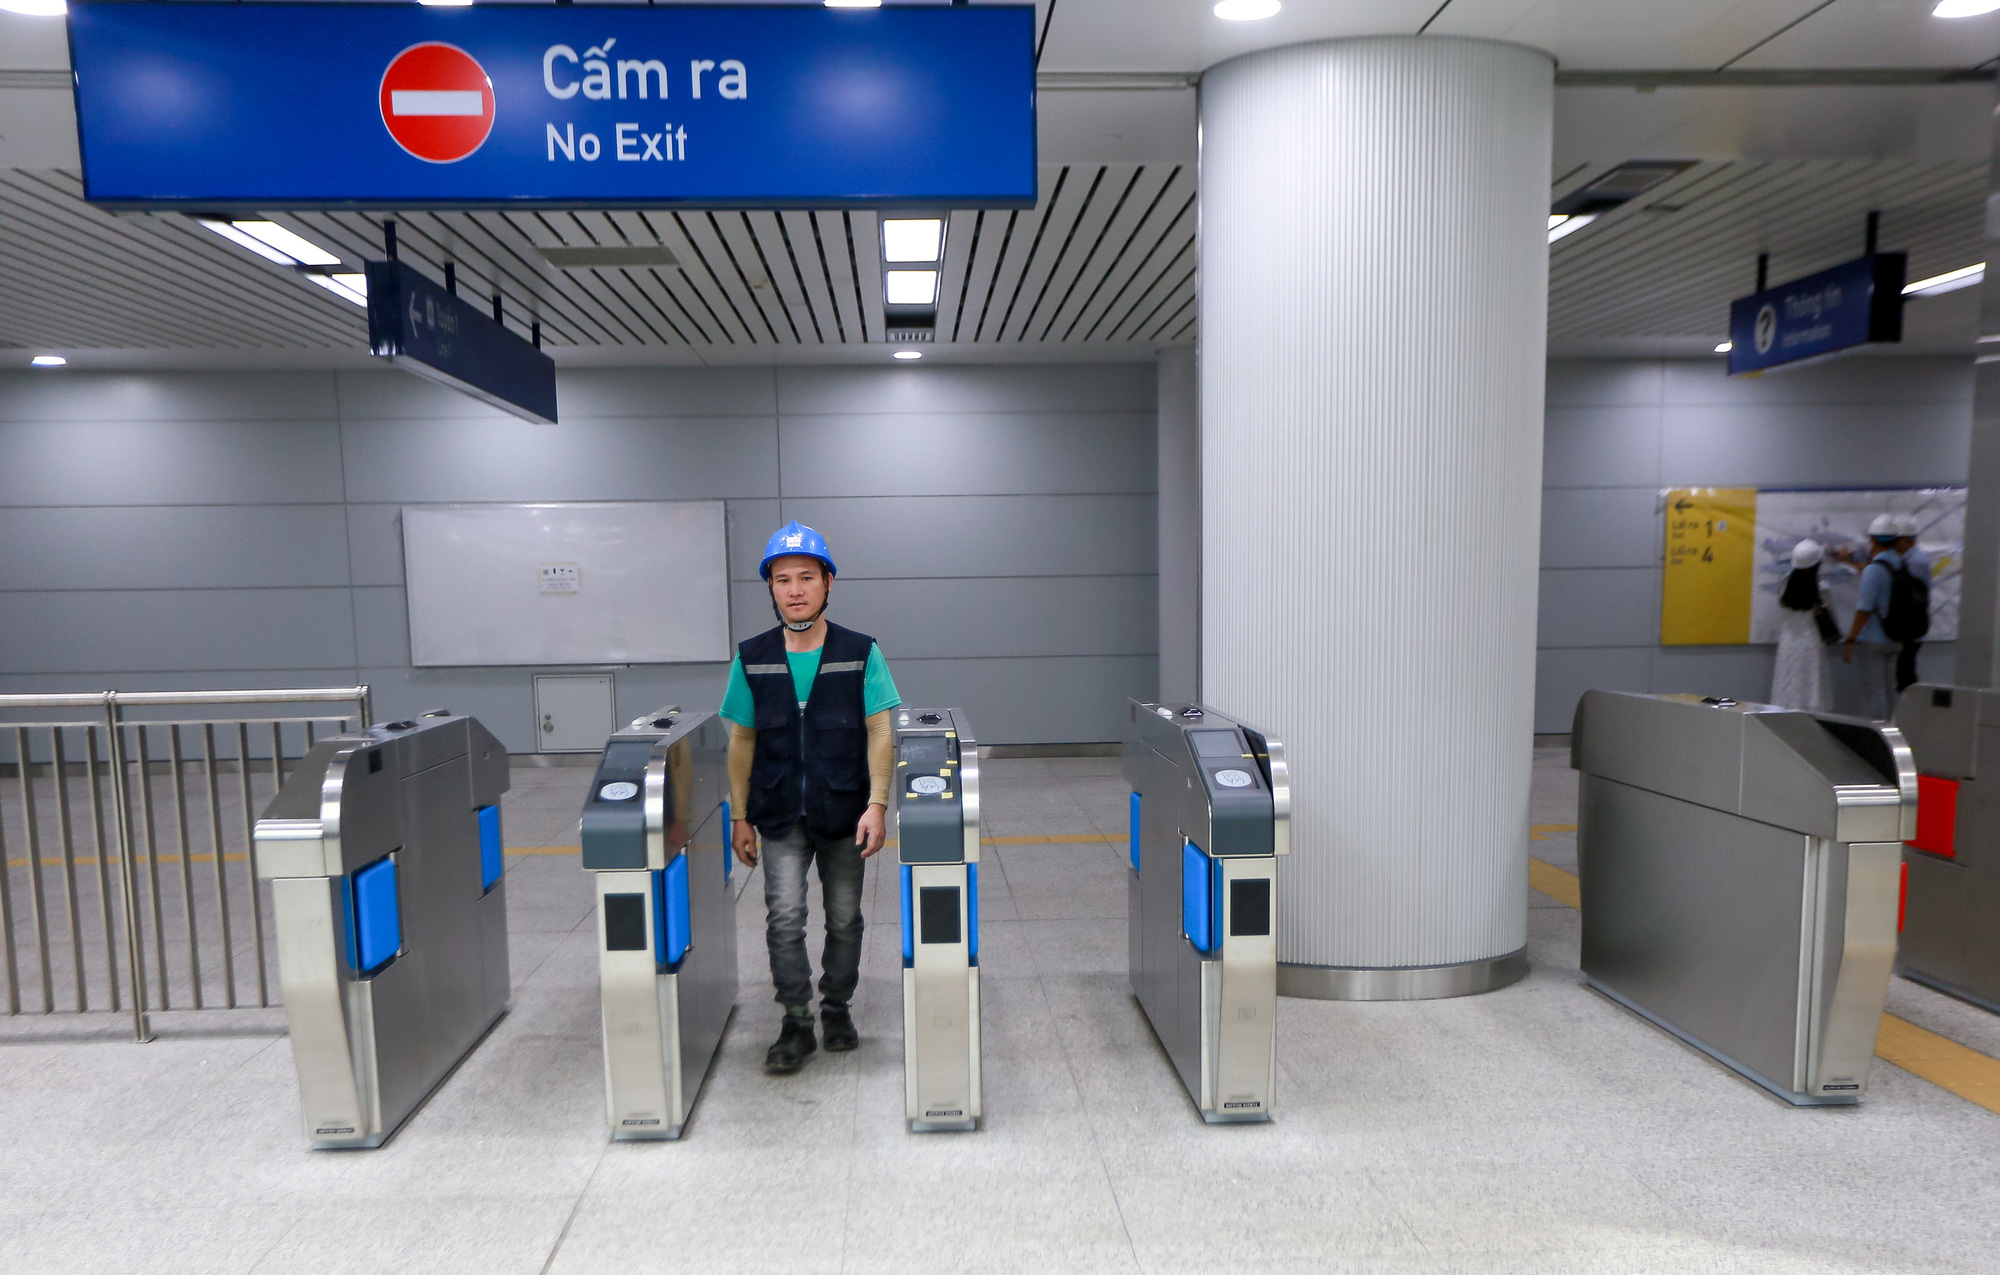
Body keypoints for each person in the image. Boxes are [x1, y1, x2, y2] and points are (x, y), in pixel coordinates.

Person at [719, 521, 901, 1074]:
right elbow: (741, 739)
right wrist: (740, 816)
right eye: (782, 580)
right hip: (777, 812)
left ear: (827, 582)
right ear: (770, 589)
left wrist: (877, 804)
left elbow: (881, 731)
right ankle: (796, 1020)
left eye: (805, 577)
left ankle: (837, 1007)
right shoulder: (752, 656)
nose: (794, 589)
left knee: (845, 918)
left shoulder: (860, 651)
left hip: (843, 809)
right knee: (785, 918)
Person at [1842, 513, 1913, 720]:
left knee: (1874, 692)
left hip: (1874, 639)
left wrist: (1850, 640)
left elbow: (1864, 610)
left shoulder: (1874, 570)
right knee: (1891, 689)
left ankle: (1876, 734)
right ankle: (1894, 731)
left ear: (1873, 541)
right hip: (1897, 636)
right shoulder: (1901, 564)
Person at [1770, 538, 1830, 711]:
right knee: (1811, 686)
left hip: (1788, 641)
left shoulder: (1783, 585)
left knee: (1787, 684)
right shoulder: (1822, 589)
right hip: (1811, 641)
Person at [1894, 514, 1931, 694]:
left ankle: (1909, 713)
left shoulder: (1915, 561)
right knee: (1905, 670)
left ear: (1907, 540)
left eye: (1898, 540)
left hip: (1912, 625)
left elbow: (1910, 596)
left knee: (1905, 675)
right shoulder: (1912, 559)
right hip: (1914, 625)